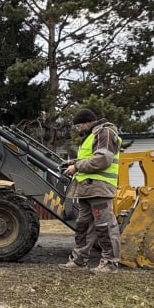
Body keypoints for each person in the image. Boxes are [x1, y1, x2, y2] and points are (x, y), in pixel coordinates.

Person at [62, 107, 122, 274]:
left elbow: (103, 159)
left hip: (99, 188)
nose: (78, 130)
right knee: (83, 226)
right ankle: (79, 260)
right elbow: (88, 158)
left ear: (87, 122)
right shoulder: (91, 136)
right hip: (86, 188)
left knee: (104, 226)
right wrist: (72, 163)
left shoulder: (105, 133)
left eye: (78, 126)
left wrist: (77, 166)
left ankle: (110, 263)